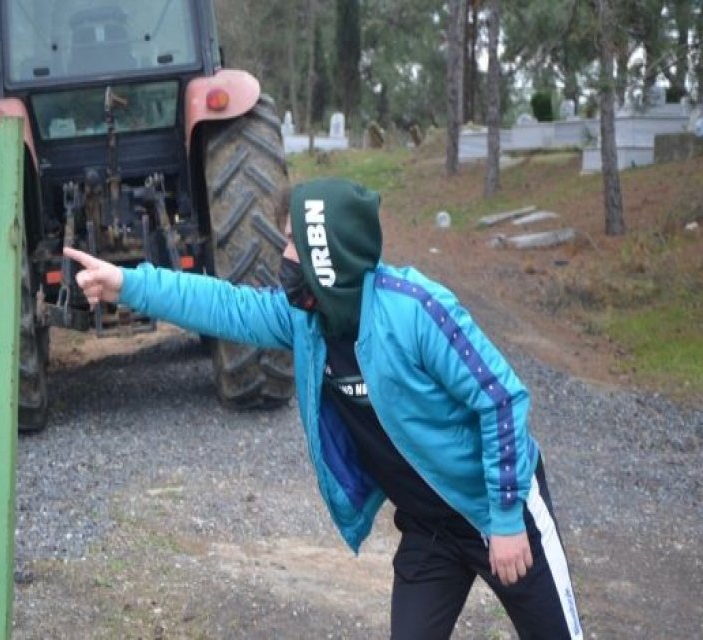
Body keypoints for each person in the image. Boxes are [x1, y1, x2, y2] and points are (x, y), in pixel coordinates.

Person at [64, 178, 583, 639]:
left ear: (325, 255)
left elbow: (501, 398)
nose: (284, 255)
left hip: (493, 509)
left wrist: (509, 519)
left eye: (293, 242)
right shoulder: (304, 319)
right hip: (431, 531)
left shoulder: (416, 311)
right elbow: (225, 305)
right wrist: (128, 284)